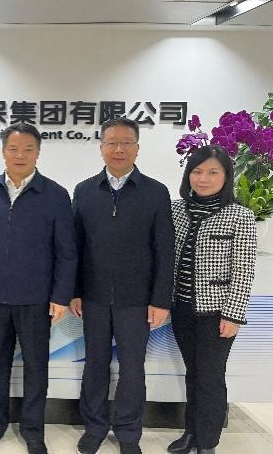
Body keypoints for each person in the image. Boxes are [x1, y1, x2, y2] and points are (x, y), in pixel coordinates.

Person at [71, 118, 175, 454]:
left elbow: (165, 250)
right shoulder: (85, 191)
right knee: (95, 365)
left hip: (137, 300)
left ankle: (129, 433)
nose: (119, 149)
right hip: (94, 298)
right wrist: (74, 291)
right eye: (112, 142)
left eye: (126, 142)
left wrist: (161, 299)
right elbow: (75, 247)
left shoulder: (156, 192)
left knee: (132, 368)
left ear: (137, 148)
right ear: (101, 147)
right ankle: (95, 427)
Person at [0, 123, 77, 454]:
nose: (20, 155)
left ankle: (33, 430)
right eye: (14, 149)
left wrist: (60, 295)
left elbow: (66, 251)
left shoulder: (56, 195)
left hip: (37, 300)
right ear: (3, 151)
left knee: (36, 368)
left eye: (28, 149)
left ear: (38, 153)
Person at [166, 145, 256, 454]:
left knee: (211, 377)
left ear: (226, 176)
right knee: (193, 372)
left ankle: (207, 442)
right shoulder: (175, 210)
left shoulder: (240, 215)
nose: (203, 178)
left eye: (212, 172)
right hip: (181, 308)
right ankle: (191, 433)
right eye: (197, 171)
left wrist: (233, 314)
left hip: (217, 313)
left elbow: (244, 269)